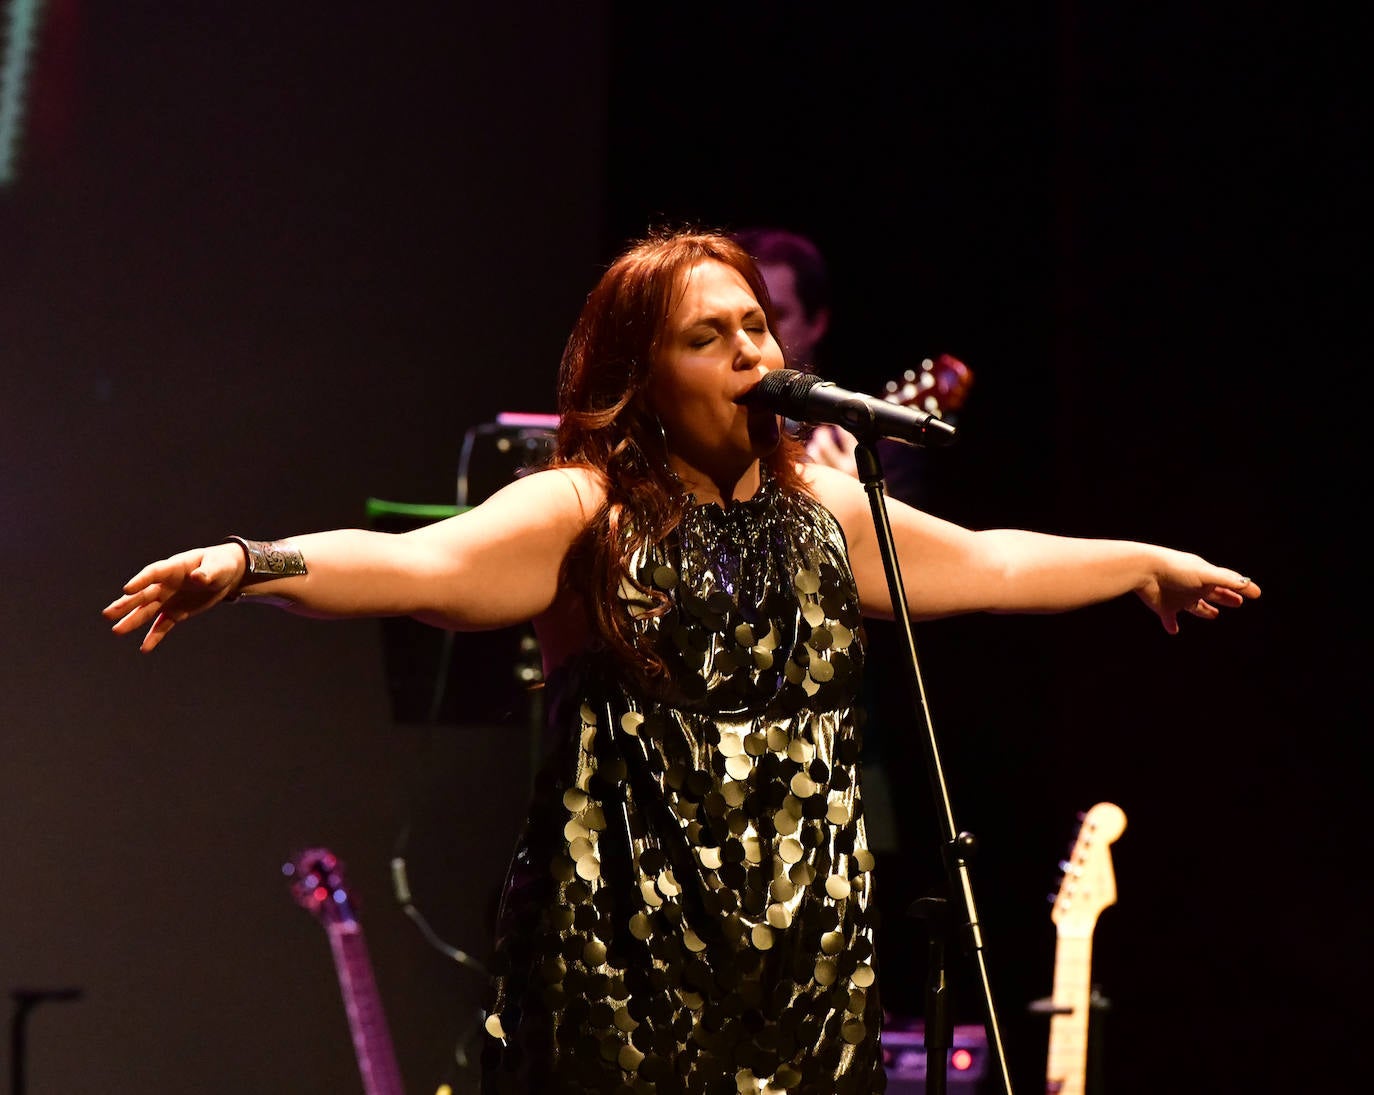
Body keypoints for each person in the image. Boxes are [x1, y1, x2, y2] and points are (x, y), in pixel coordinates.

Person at [103, 227, 1259, 1094]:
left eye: (756, 325)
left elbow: (992, 564)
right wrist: (253, 562)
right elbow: (416, 565)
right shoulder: (583, 506)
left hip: (805, 955)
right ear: (640, 371)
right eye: (710, 336)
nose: (751, 350)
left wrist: (1143, 559)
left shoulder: (827, 510)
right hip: (623, 962)